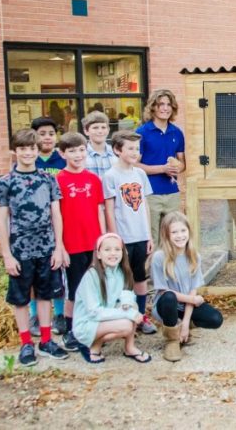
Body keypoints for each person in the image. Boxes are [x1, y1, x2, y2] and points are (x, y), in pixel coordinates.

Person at [0, 129, 68, 366]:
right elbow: (1, 221)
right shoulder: (6, 183)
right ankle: (26, 343)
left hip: (46, 248)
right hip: (20, 250)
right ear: (14, 152)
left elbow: (56, 214)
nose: (28, 153)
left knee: (46, 294)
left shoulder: (48, 179)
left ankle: (46, 340)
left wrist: (58, 247)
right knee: (21, 298)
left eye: (32, 148)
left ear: (38, 150)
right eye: (23, 149)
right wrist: (7, 254)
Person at [103, 130, 157, 334]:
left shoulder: (140, 174)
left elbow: (144, 205)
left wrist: (149, 235)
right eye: (130, 148)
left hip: (140, 235)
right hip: (123, 237)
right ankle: (122, 318)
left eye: (137, 148)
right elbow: (109, 208)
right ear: (117, 150)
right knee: (122, 279)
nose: (136, 152)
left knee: (140, 277)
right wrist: (116, 239)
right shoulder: (110, 176)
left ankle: (141, 317)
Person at [150, 212, 224, 362]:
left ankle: (183, 328)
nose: (180, 236)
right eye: (174, 232)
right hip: (166, 305)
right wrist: (192, 299)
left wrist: (185, 323)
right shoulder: (159, 257)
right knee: (169, 297)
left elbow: (192, 289)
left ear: (189, 232)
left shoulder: (194, 255)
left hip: (186, 304)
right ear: (166, 234)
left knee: (216, 319)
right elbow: (165, 291)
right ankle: (172, 341)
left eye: (183, 231)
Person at [55, 132, 105, 352]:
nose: (78, 154)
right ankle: (69, 330)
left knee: (94, 287)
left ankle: (91, 326)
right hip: (72, 245)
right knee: (74, 289)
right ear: (62, 153)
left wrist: (103, 240)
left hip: (93, 244)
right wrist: (60, 246)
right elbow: (56, 216)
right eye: (72, 151)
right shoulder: (58, 180)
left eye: (81, 150)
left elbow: (99, 210)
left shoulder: (93, 179)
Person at [72, 233, 151, 364]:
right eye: (107, 250)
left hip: (105, 317)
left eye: (117, 249)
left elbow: (127, 294)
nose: (112, 253)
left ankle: (129, 347)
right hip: (87, 323)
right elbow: (94, 312)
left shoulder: (122, 272)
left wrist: (127, 304)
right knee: (126, 324)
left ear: (123, 252)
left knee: (134, 306)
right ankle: (94, 345)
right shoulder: (91, 276)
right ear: (98, 254)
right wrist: (129, 313)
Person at [28, 117, 67, 337]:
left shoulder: (60, 158)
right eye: (42, 133)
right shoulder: (29, 160)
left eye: (51, 133)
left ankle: (59, 314)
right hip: (36, 225)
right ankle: (35, 315)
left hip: (60, 221)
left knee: (58, 270)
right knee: (35, 273)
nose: (47, 138)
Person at [136, 89, 186, 245]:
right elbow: (135, 165)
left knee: (174, 238)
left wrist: (178, 167)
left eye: (169, 105)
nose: (165, 108)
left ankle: (171, 270)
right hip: (150, 194)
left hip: (172, 193)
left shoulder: (177, 132)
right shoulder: (142, 132)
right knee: (153, 239)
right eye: (161, 104)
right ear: (153, 107)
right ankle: (153, 269)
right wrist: (162, 169)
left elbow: (183, 163)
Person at [83, 110, 118, 179]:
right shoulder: (81, 155)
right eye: (95, 128)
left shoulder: (116, 153)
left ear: (108, 130)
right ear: (86, 131)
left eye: (103, 127)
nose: (100, 131)